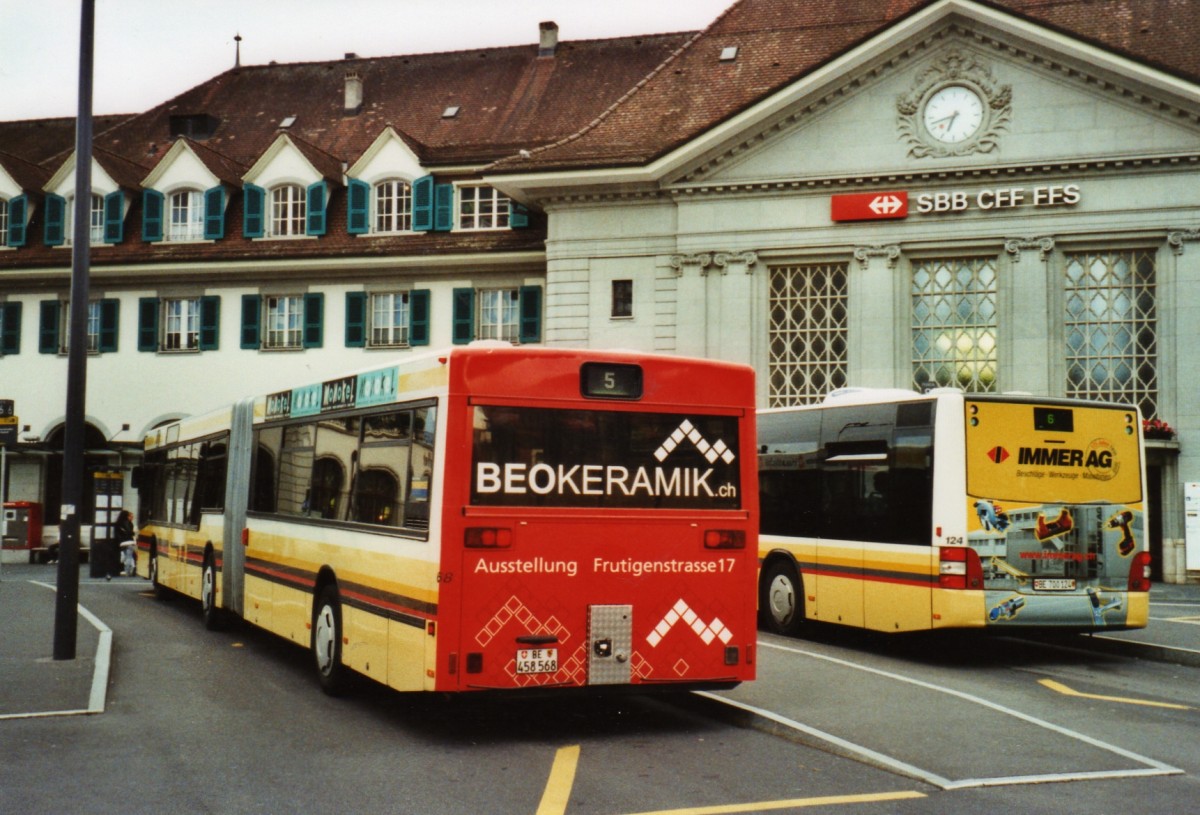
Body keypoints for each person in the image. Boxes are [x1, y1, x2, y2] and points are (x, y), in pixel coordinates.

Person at [115, 509, 136, 577]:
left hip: (122, 542)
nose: (132, 518)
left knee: (126, 555)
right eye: (131, 516)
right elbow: (130, 532)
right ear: (127, 516)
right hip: (129, 542)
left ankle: (128, 569)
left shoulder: (118, 523)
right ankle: (129, 570)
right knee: (129, 556)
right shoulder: (129, 523)